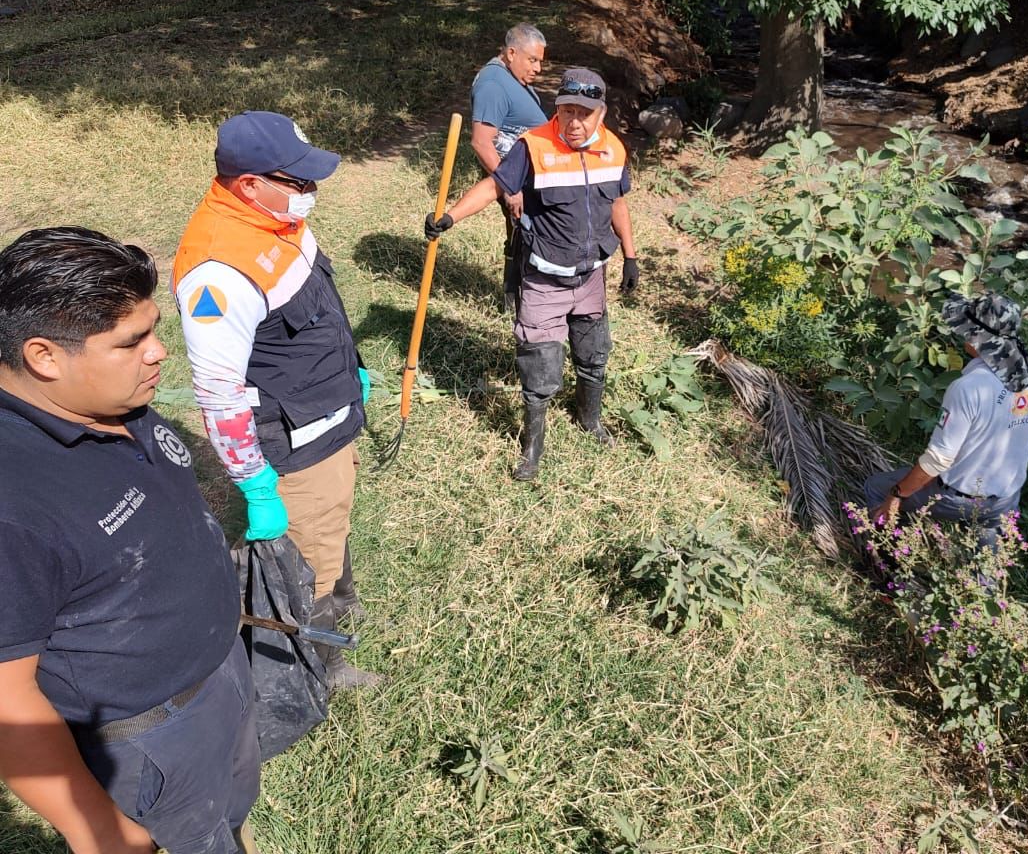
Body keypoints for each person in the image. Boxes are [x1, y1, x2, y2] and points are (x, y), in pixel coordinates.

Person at [0, 227, 260, 854]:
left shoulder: (110, 400)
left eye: (154, 329)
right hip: (152, 739)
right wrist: (103, 835)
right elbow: (7, 703)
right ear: (44, 357)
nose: (159, 353)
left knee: (230, 818)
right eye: (133, 340)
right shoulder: (14, 504)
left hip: (221, 676)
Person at [173, 110, 379, 690]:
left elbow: (318, 311)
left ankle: (343, 596)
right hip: (294, 440)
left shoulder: (275, 222)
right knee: (306, 553)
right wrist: (257, 488)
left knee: (331, 520)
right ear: (249, 184)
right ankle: (320, 669)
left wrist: (352, 373)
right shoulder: (219, 270)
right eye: (298, 181)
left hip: (327, 413)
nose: (309, 192)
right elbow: (218, 392)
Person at [425, 67, 639, 481]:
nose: (574, 122)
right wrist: (448, 217)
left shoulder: (614, 149)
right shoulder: (533, 146)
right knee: (540, 368)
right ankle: (532, 448)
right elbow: (494, 187)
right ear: (557, 109)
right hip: (545, 277)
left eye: (585, 113)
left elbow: (618, 204)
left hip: (591, 275)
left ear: (602, 113)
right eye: (567, 111)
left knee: (594, 356)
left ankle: (590, 420)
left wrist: (630, 256)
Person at [865, 292, 1028, 542]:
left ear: (975, 337)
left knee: (877, 488)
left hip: (955, 499)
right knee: (986, 569)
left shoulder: (969, 387)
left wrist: (897, 495)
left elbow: (937, 460)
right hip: (1005, 501)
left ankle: (887, 562)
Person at [471, 22, 550, 313]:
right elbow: (481, 143)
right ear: (512, 53)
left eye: (540, 61)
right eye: (533, 60)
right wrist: (510, 186)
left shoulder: (509, 78)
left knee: (523, 236)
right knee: (524, 237)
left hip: (528, 176)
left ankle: (519, 301)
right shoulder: (493, 84)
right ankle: (520, 303)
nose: (538, 68)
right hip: (517, 180)